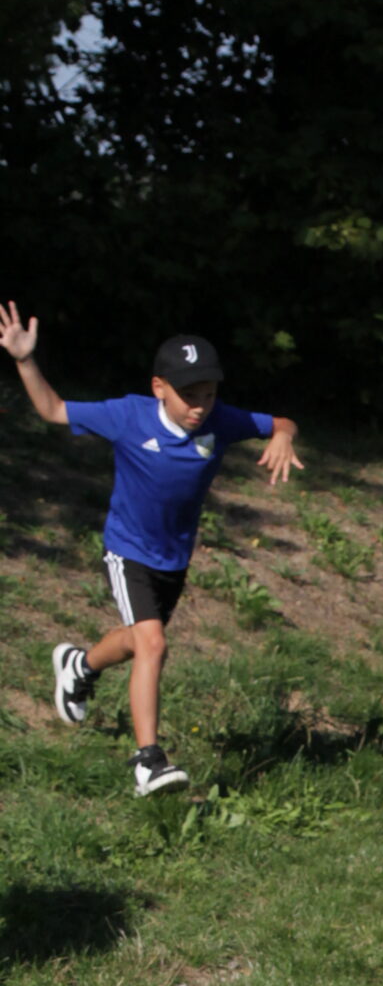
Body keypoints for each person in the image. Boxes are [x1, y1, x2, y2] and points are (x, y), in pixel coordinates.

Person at [0, 302, 302, 795]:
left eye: (208, 393)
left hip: (174, 559)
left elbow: (281, 422)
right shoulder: (127, 416)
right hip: (128, 550)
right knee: (154, 644)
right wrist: (24, 359)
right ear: (159, 387)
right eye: (188, 395)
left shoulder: (221, 421)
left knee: (137, 640)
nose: (199, 405)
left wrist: (284, 437)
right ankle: (149, 762)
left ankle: (79, 666)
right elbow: (53, 410)